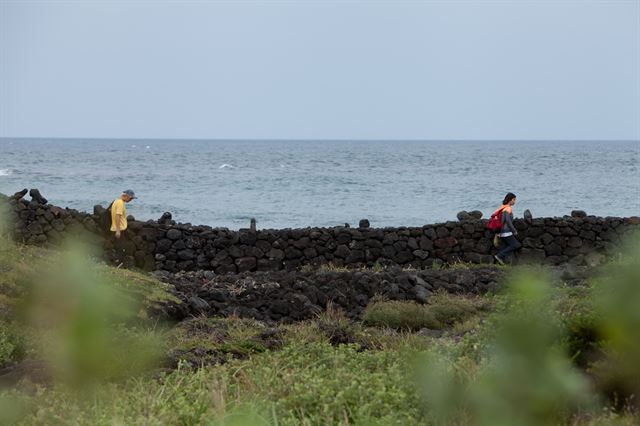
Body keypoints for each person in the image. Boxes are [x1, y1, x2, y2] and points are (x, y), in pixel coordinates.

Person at [493, 192, 520, 265]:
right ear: (510, 200)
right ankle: (498, 256)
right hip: (506, 232)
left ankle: (501, 262)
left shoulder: (502, 207)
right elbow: (507, 220)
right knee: (516, 245)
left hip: (501, 231)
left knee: (505, 246)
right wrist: (514, 230)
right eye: (514, 200)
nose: (514, 201)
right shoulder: (508, 208)